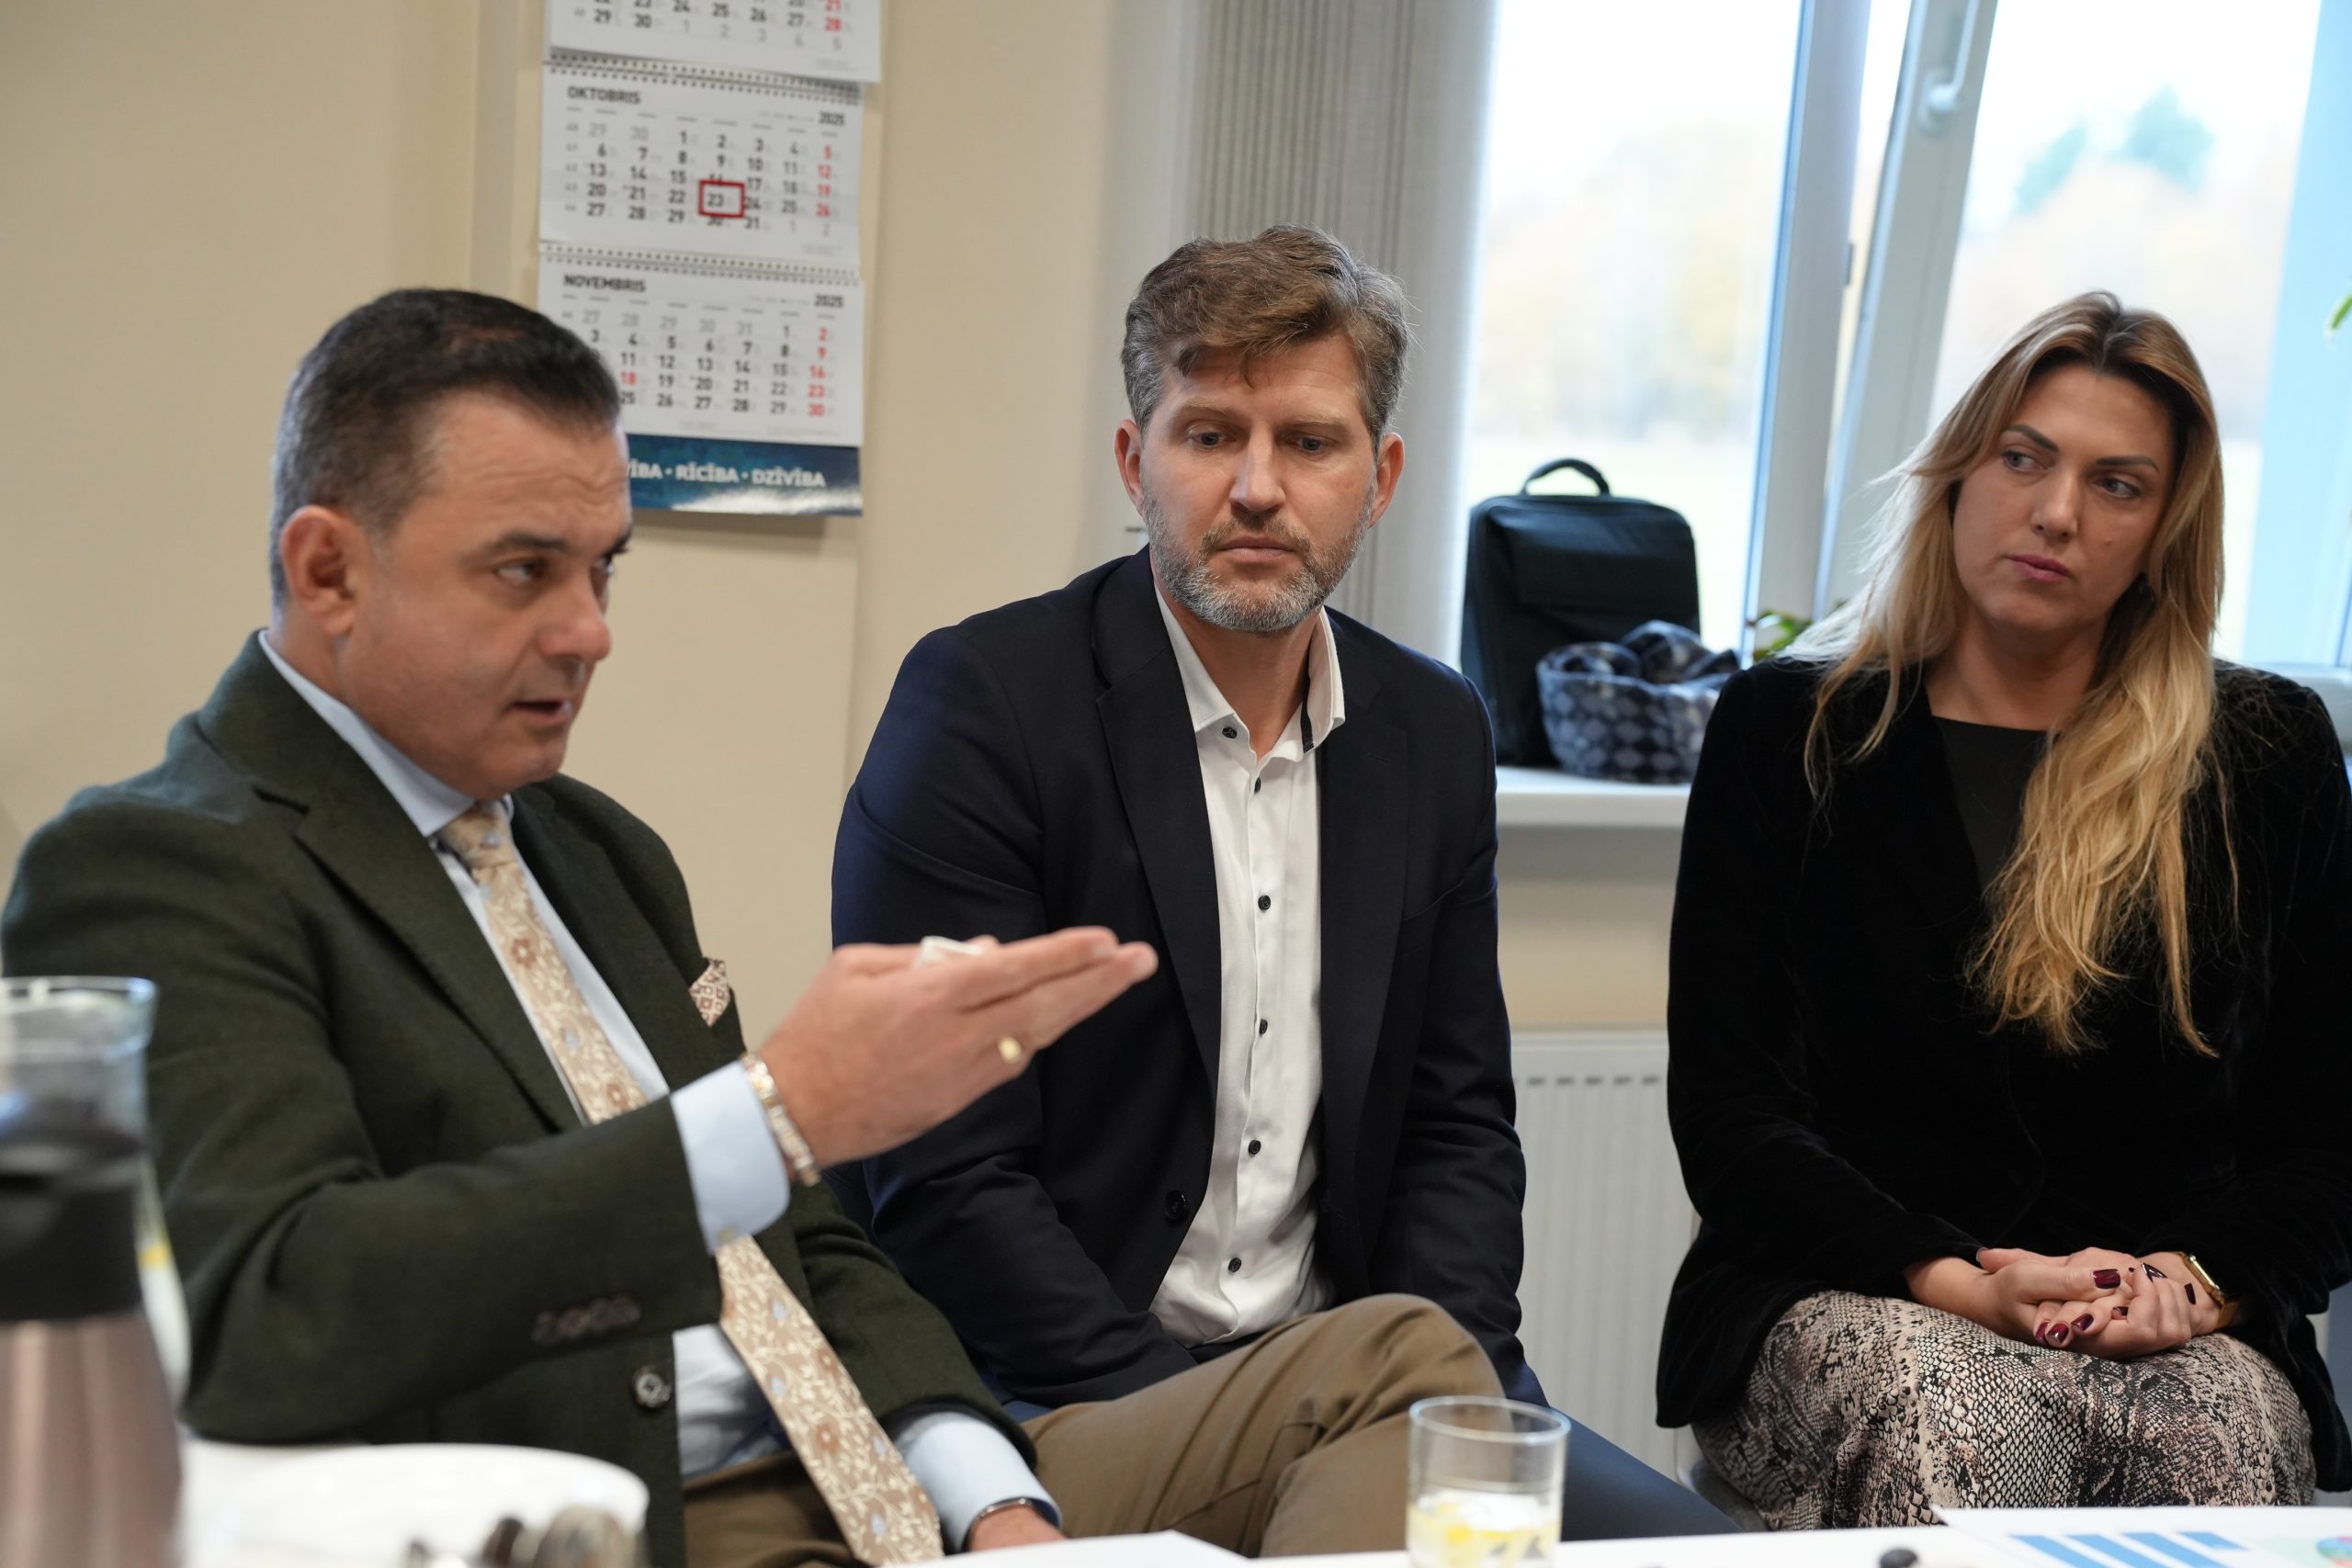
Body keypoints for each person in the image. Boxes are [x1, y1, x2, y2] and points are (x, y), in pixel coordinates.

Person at [0, 288, 1511, 1568]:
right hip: (642, 1511)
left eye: (605, 568)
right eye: (525, 570)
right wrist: (776, 1114)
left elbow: (811, 1248)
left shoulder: (592, 849)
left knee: (1409, 1370)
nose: (590, 630)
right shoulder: (162, 867)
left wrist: (990, 1500)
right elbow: (274, 1308)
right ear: (329, 568)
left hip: (896, 1468)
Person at [833, 227, 1730, 1539]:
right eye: (1210, 436)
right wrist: (1220, 1442)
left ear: (1383, 477)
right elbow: (946, 1177)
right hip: (1053, 1391)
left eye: (1310, 443)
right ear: (1135, 460)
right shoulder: (985, 707)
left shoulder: (1433, 731)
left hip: (1353, 1378)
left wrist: (1446, 1399)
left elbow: (1455, 1129)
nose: (1258, 488)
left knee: (1707, 1557)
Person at [1659, 291, 2352, 1526]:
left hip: (2175, 1308)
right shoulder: (1790, 733)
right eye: (2024, 459)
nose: (2058, 512)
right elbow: (1733, 1114)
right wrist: (1958, 1278)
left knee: (2220, 1439)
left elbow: (2330, 1138)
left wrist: (2191, 1281)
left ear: (2164, 531)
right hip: (1861, 1287)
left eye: (2117, 485)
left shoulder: (2266, 756)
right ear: (1958, 477)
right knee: (1961, 1409)